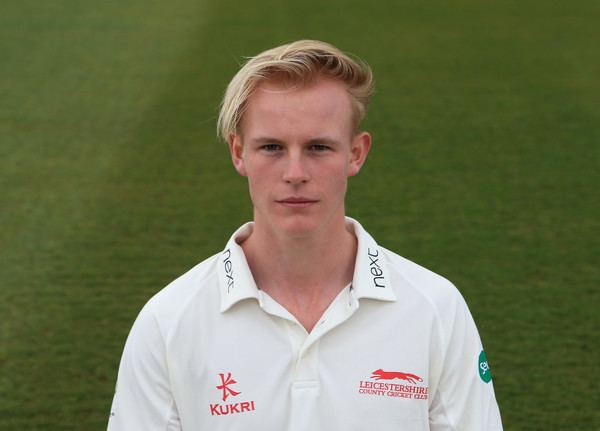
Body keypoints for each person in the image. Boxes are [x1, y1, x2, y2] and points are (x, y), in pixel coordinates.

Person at [107, 40, 503, 430]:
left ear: (356, 153)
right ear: (238, 152)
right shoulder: (169, 320)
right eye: (272, 147)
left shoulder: (435, 308)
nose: (295, 173)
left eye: (318, 147)